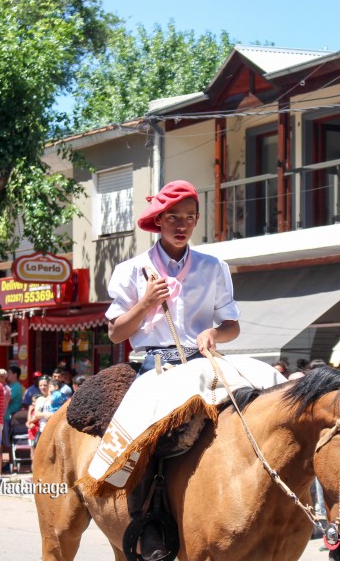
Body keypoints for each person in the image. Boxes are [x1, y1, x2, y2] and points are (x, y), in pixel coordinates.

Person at [105, 180, 242, 561]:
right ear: (158, 220)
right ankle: (147, 525)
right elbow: (116, 331)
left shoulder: (214, 268)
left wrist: (215, 331)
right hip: (154, 366)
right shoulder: (132, 270)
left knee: (249, 410)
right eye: (173, 217)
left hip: (201, 364)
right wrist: (146, 303)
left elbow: (232, 324)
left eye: (189, 218)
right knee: (145, 436)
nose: (182, 225)